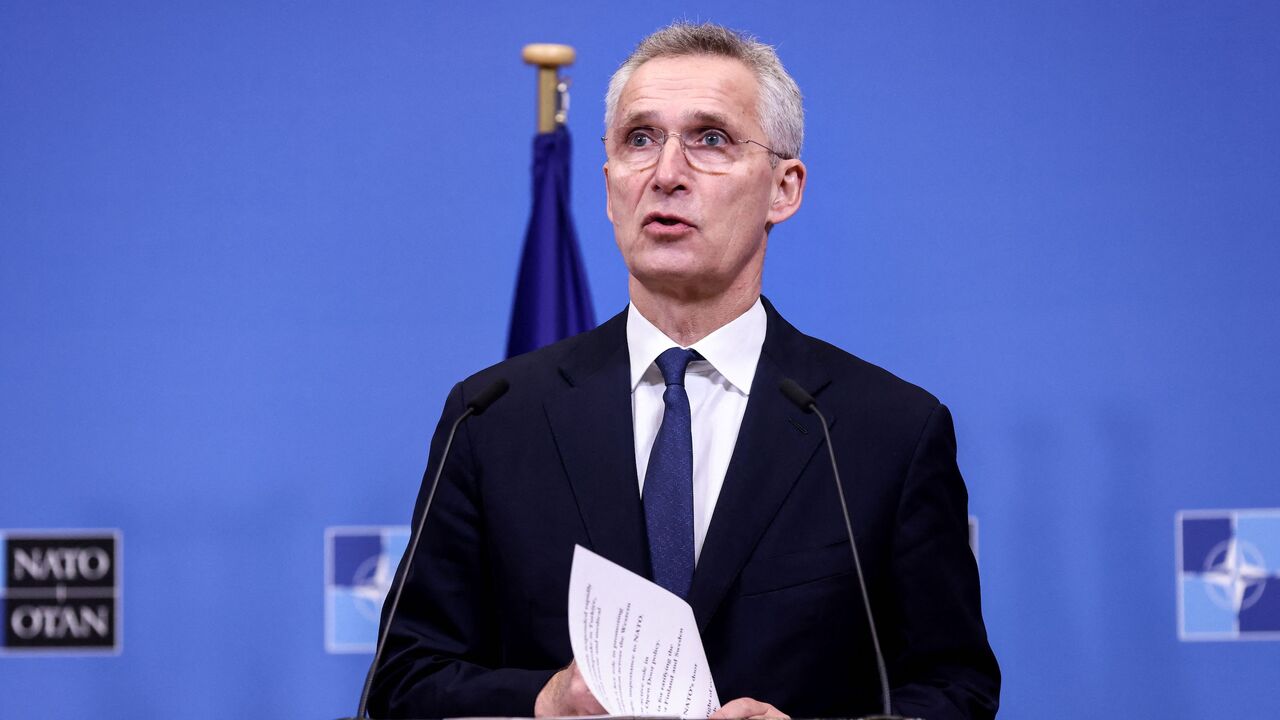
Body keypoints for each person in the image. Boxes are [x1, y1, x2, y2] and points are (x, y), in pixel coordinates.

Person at [370, 22, 999, 720]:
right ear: (611, 186)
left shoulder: (885, 430)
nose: (666, 173)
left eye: (710, 139)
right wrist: (544, 702)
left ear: (783, 189)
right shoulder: (493, 417)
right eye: (640, 140)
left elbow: (955, 690)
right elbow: (403, 683)